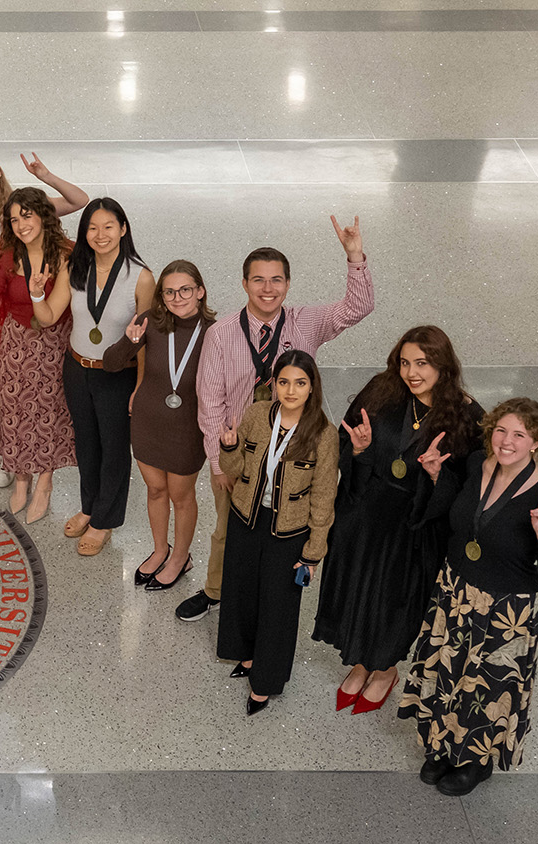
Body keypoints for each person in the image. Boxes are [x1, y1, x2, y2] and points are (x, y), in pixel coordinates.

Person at [176, 216, 375, 624]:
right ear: (244, 283)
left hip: (295, 451)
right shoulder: (222, 333)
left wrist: (354, 256)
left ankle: (269, 599)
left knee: (281, 531)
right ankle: (216, 590)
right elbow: (210, 401)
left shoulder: (306, 322)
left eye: (277, 280)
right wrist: (218, 462)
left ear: (288, 284)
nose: (268, 289)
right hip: (241, 453)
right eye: (259, 280)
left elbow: (358, 307)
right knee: (228, 530)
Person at [398, 398, 538, 796]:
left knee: (485, 688)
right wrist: (438, 477)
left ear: (537, 442)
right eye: (500, 430)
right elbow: (455, 516)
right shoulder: (477, 463)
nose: (506, 441)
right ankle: (441, 746)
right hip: (456, 592)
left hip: (505, 609)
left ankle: (475, 761)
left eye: (519, 435)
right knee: (447, 674)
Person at [313, 326, 483, 714]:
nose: (412, 373)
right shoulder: (381, 389)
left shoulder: (467, 414)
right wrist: (358, 450)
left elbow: (475, 486)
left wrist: (441, 477)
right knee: (359, 588)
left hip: (415, 523)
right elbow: (345, 438)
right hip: (367, 509)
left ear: (443, 364)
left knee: (394, 598)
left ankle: (385, 668)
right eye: (405, 362)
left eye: (422, 363)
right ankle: (360, 662)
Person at [0, 151, 89, 485]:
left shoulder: (23, 209)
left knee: (18, 389)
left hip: (22, 307)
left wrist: (46, 176)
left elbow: (79, 200)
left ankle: (13, 457)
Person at [215, 350, 338, 715]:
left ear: (312, 386)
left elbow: (324, 495)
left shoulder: (323, 434)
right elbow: (233, 467)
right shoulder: (256, 414)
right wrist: (229, 445)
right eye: (283, 382)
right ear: (274, 385)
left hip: (289, 532)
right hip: (247, 519)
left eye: (300, 383)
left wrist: (313, 552)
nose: (291, 390)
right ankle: (249, 657)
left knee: (278, 607)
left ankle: (265, 683)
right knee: (243, 592)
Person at [34, 198, 155, 555]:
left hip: (117, 374)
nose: (100, 235)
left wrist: (140, 386)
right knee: (86, 443)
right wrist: (36, 291)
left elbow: (144, 340)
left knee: (115, 449)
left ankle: (105, 521)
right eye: (92, 227)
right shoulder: (75, 266)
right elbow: (48, 315)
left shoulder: (141, 276)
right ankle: (89, 506)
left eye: (108, 227)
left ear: (123, 229)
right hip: (76, 369)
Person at [103, 260, 216, 590]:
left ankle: (180, 557)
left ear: (200, 291)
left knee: (181, 496)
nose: (177, 297)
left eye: (185, 290)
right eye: (169, 291)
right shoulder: (149, 322)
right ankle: (160, 549)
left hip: (187, 428)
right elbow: (111, 364)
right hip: (148, 419)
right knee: (155, 490)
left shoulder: (214, 331)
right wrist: (129, 341)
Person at [0, 187, 75, 522]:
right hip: (16, 340)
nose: (21, 224)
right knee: (16, 406)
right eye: (14, 218)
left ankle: (45, 481)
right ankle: (20, 476)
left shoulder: (66, 254)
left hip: (52, 342)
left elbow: (51, 314)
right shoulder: (10, 253)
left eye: (27, 215)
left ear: (42, 214)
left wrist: (37, 292)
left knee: (48, 409)